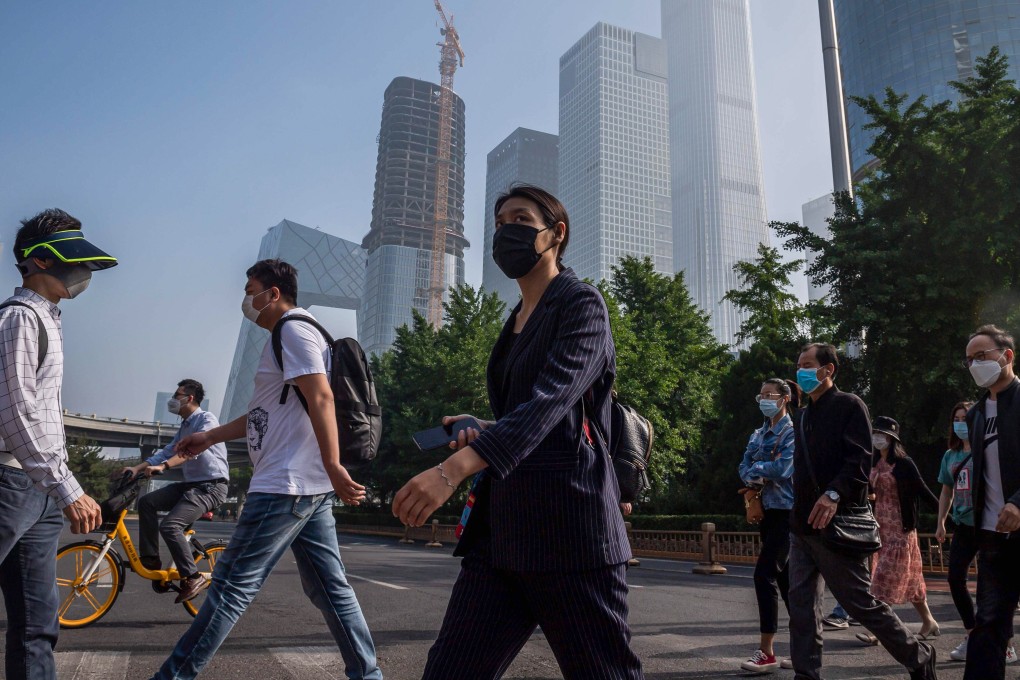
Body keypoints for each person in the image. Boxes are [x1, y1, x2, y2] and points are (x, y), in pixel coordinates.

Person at [392, 185, 643, 679]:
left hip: (570, 532)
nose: (507, 230)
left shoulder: (581, 304)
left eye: (521, 218)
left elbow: (552, 402)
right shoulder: (514, 322)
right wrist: (483, 428)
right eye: (500, 221)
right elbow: (536, 414)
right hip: (503, 536)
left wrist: (451, 470)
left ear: (556, 234)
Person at [148, 259, 381, 680]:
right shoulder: (286, 336)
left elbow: (322, 398)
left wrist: (332, 465)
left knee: (229, 591)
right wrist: (211, 436)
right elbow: (263, 413)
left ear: (273, 293)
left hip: (284, 484)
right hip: (302, 486)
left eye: (250, 288)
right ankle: (368, 675)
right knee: (330, 589)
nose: (245, 298)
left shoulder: (294, 329)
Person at [0, 209, 117, 680]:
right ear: (41, 262)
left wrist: (59, 486)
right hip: (9, 481)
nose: (83, 273)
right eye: (75, 262)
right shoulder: (19, 319)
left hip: (37, 488)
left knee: (37, 624)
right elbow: (16, 414)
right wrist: (68, 488)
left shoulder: (49, 320)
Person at [787, 342, 937, 680]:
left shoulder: (849, 405)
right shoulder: (803, 414)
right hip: (801, 526)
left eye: (808, 364)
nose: (801, 371)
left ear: (829, 370)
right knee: (801, 606)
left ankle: (919, 656)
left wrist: (832, 495)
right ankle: (806, 672)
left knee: (861, 604)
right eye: (798, 365)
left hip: (836, 523)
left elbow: (858, 462)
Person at [121, 378, 229, 603]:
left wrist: (164, 466)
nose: (172, 400)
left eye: (177, 395)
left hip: (212, 486)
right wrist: (137, 467)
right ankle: (151, 560)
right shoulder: (184, 426)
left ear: (189, 398)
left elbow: (194, 450)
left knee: (170, 526)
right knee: (147, 503)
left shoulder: (206, 420)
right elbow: (166, 451)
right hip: (192, 485)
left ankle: (193, 576)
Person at [936, 400, 1018, 664]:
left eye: (965, 418)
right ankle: (972, 632)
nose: (961, 423)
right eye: (957, 419)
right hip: (964, 525)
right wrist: (941, 521)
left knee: (992, 588)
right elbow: (946, 490)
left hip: (990, 525)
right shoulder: (951, 456)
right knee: (954, 578)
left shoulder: (988, 450)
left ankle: (1004, 643)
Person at [962, 325, 1020, 680]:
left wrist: (1018, 502)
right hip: (993, 537)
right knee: (987, 626)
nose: (974, 365)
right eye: (969, 360)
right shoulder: (975, 414)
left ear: (1007, 355)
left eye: (980, 356)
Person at [854, 416, 940, 646]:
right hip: (880, 528)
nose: (877, 438)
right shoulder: (872, 462)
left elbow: (923, 491)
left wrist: (945, 519)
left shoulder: (904, 463)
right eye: (875, 434)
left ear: (892, 439)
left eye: (882, 435)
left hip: (900, 531)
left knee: (881, 578)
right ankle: (929, 621)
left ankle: (879, 630)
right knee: (913, 581)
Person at [737, 378, 797, 673]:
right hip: (767, 511)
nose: (763, 399)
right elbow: (742, 467)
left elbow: (784, 468)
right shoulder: (758, 434)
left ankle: (767, 651)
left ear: (784, 398)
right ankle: (802, 649)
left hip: (788, 513)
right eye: (759, 395)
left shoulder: (791, 432)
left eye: (768, 394)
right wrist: (757, 472)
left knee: (765, 576)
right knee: (786, 584)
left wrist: (757, 471)